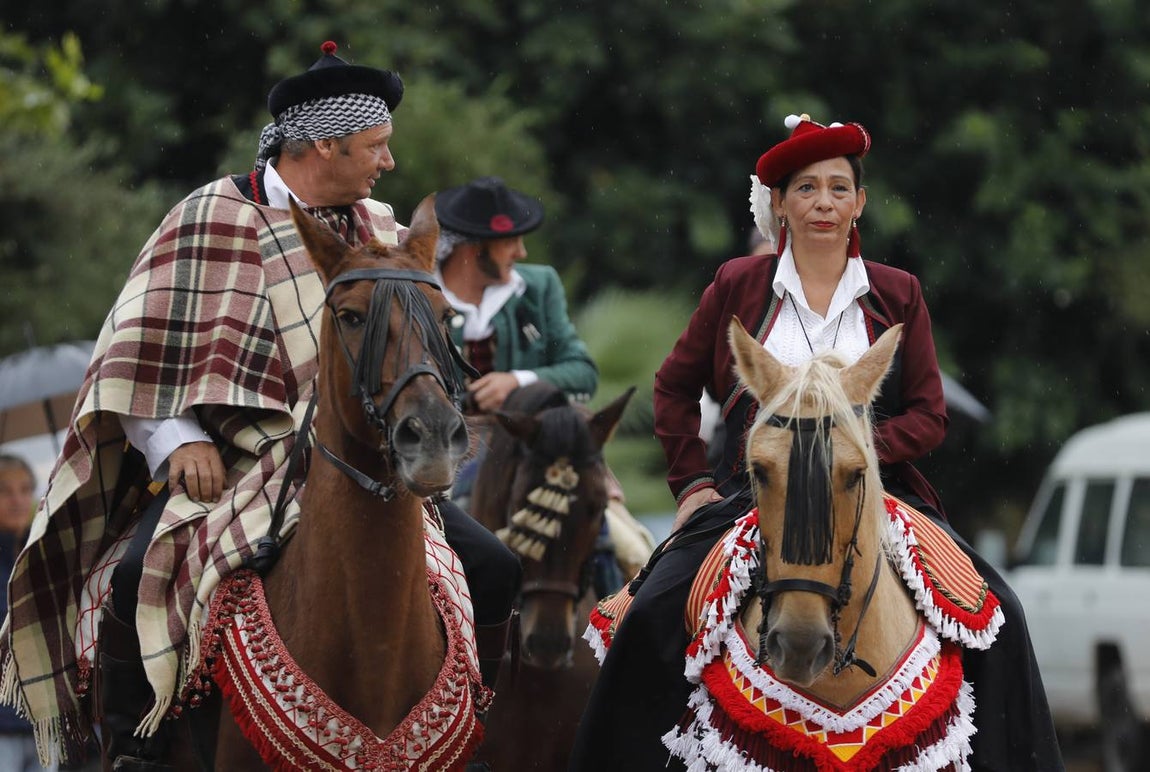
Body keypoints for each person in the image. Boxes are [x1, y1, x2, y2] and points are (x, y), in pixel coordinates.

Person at [0, 42, 519, 770]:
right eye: (376, 147)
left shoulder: (379, 227)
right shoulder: (207, 217)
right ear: (325, 144)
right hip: (235, 464)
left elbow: (414, 351)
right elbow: (131, 360)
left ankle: (475, 721)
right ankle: (132, 748)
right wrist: (178, 442)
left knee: (495, 567)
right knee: (133, 575)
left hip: (365, 459)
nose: (387, 164)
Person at [570, 114, 1064, 771]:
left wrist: (849, 452)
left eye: (838, 188)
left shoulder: (898, 294)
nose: (823, 203)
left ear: (859, 203)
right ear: (779, 203)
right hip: (754, 496)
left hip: (874, 492)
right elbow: (672, 390)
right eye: (806, 189)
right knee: (651, 611)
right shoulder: (737, 287)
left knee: (1000, 612)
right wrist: (693, 486)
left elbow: (929, 414)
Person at [0, 455, 51, 772]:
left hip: (43, 720)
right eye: (5, 491)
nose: (17, 500)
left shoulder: (45, 552)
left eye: (24, 489)